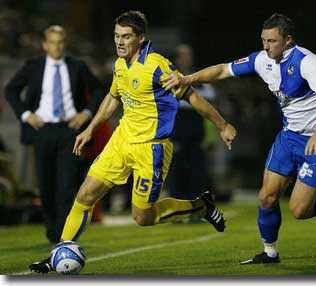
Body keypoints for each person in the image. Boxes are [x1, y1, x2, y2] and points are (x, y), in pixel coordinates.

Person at [29, 10, 236, 273]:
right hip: (122, 140)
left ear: (141, 38)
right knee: (84, 195)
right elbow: (112, 98)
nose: (120, 42)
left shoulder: (157, 66)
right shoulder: (119, 64)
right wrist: (90, 128)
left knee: (143, 217)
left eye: (126, 36)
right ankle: (58, 253)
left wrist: (223, 125)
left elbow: (192, 96)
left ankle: (200, 206)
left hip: (152, 148)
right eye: (116, 36)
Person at [164, 13, 316, 264]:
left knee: (299, 210)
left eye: (272, 41)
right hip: (289, 137)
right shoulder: (261, 60)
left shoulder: (306, 61)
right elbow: (222, 70)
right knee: (266, 196)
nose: (266, 46)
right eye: (263, 40)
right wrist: (188, 78)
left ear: (288, 40)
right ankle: (270, 252)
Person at [5, 25, 104, 243]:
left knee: (67, 185)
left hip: (69, 131)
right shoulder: (34, 66)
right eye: (52, 42)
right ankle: (51, 230)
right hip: (42, 131)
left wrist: (86, 113)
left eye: (60, 42)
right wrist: (26, 115)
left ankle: (63, 234)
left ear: (65, 44)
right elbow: (10, 90)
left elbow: (99, 89)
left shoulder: (77, 66)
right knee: (46, 185)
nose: (56, 46)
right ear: (45, 45)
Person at [168, 44, 217, 202]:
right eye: (183, 56)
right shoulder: (168, 78)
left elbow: (210, 95)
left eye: (188, 55)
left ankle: (195, 207)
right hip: (176, 134)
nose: (186, 59)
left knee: (197, 171)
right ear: (177, 59)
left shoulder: (199, 79)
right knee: (177, 171)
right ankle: (177, 207)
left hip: (197, 135)